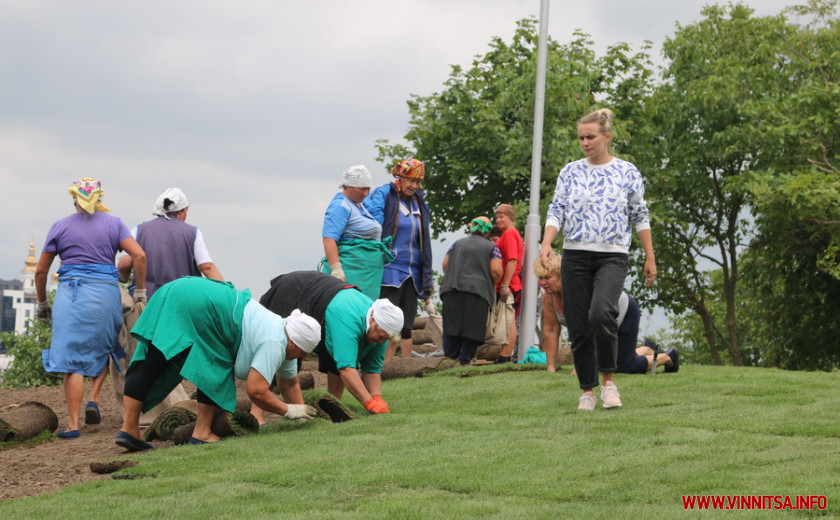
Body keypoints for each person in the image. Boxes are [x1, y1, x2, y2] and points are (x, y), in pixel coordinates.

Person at [115, 277, 321, 451]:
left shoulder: (282, 330)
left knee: (153, 359)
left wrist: (302, 416)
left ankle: (130, 429)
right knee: (214, 365)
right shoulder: (276, 341)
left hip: (173, 290)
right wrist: (289, 411)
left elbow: (290, 383)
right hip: (202, 304)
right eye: (301, 352)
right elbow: (256, 391)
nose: (299, 358)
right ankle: (202, 432)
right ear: (295, 341)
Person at [539, 108, 657, 411]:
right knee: (578, 325)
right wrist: (546, 243)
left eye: (591, 137)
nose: (585, 143)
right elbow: (557, 209)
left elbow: (640, 215)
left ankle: (608, 382)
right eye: (581, 138)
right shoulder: (570, 171)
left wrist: (649, 256)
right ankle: (587, 391)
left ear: (607, 137)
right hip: (575, 255)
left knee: (602, 313)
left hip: (613, 255)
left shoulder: (627, 172)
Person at [35, 178, 147, 438]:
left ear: (75, 199)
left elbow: (41, 271)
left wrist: (43, 303)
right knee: (103, 348)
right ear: (100, 199)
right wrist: (139, 290)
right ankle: (94, 400)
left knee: (71, 361)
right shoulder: (115, 223)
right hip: (105, 294)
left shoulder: (60, 226)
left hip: (71, 295)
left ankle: (73, 425)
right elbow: (139, 255)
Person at [257, 271, 404, 418]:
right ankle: (257, 416)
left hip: (326, 303)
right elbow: (346, 369)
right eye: (380, 336)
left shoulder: (383, 329)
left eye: (386, 338)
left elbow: (372, 369)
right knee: (276, 352)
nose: (381, 342)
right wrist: (369, 403)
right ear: (372, 319)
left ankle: (332, 407)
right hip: (292, 292)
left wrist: (377, 398)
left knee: (337, 357)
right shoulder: (349, 320)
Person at [533, 254, 677, 374]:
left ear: (562, 276)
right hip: (601, 324)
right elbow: (551, 330)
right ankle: (646, 348)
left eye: (547, 277)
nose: (543, 283)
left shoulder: (579, 292)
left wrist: (581, 367)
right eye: (540, 278)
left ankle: (668, 356)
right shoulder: (548, 296)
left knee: (623, 366)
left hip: (624, 311)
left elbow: (591, 330)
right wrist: (551, 367)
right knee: (613, 361)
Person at [364, 158, 435, 362]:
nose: (413, 185)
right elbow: (372, 224)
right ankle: (377, 365)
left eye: (417, 182)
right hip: (390, 270)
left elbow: (424, 239)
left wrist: (426, 277)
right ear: (400, 177)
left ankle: (404, 365)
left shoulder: (419, 203)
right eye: (409, 180)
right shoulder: (385, 195)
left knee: (406, 323)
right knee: (385, 320)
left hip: (412, 273)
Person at [118, 187, 223, 298]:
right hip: (182, 300)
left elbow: (124, 265)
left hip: (148, 300)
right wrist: (225, 290)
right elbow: (207, 267)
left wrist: (125, 277)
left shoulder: (138, 230)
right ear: (184, 210)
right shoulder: (193, 232)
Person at [319, 165, 391, 300]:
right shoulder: (340, 206)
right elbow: (329, 239)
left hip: (366, 275)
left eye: (368, 189)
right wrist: (336, 269)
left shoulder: (359, 205)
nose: (366, 193)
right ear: (349, 186)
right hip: (351, 271)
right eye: (362, 189)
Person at [440, 217, 503, 365]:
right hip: (478, 293)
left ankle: (448, 360)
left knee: (451, 328)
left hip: (452, 290)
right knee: (472, 330)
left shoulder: (456, 244)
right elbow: (496, 271)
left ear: (472, 227)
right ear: (488, 231)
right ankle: (465, 360)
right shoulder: (492, 248)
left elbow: (445, 265)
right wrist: (489, 284)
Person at [493, 204, 524, 364]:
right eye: (497, 217)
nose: (498, 220)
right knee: (507, 320)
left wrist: (505, 285)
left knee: (509, 320)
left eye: (501, 216)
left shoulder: (510, 234)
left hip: (510, 284)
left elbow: (512, 260)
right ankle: (504, 354)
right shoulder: (508, 233)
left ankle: (505, 356)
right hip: (509, 283)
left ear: (510, 217)